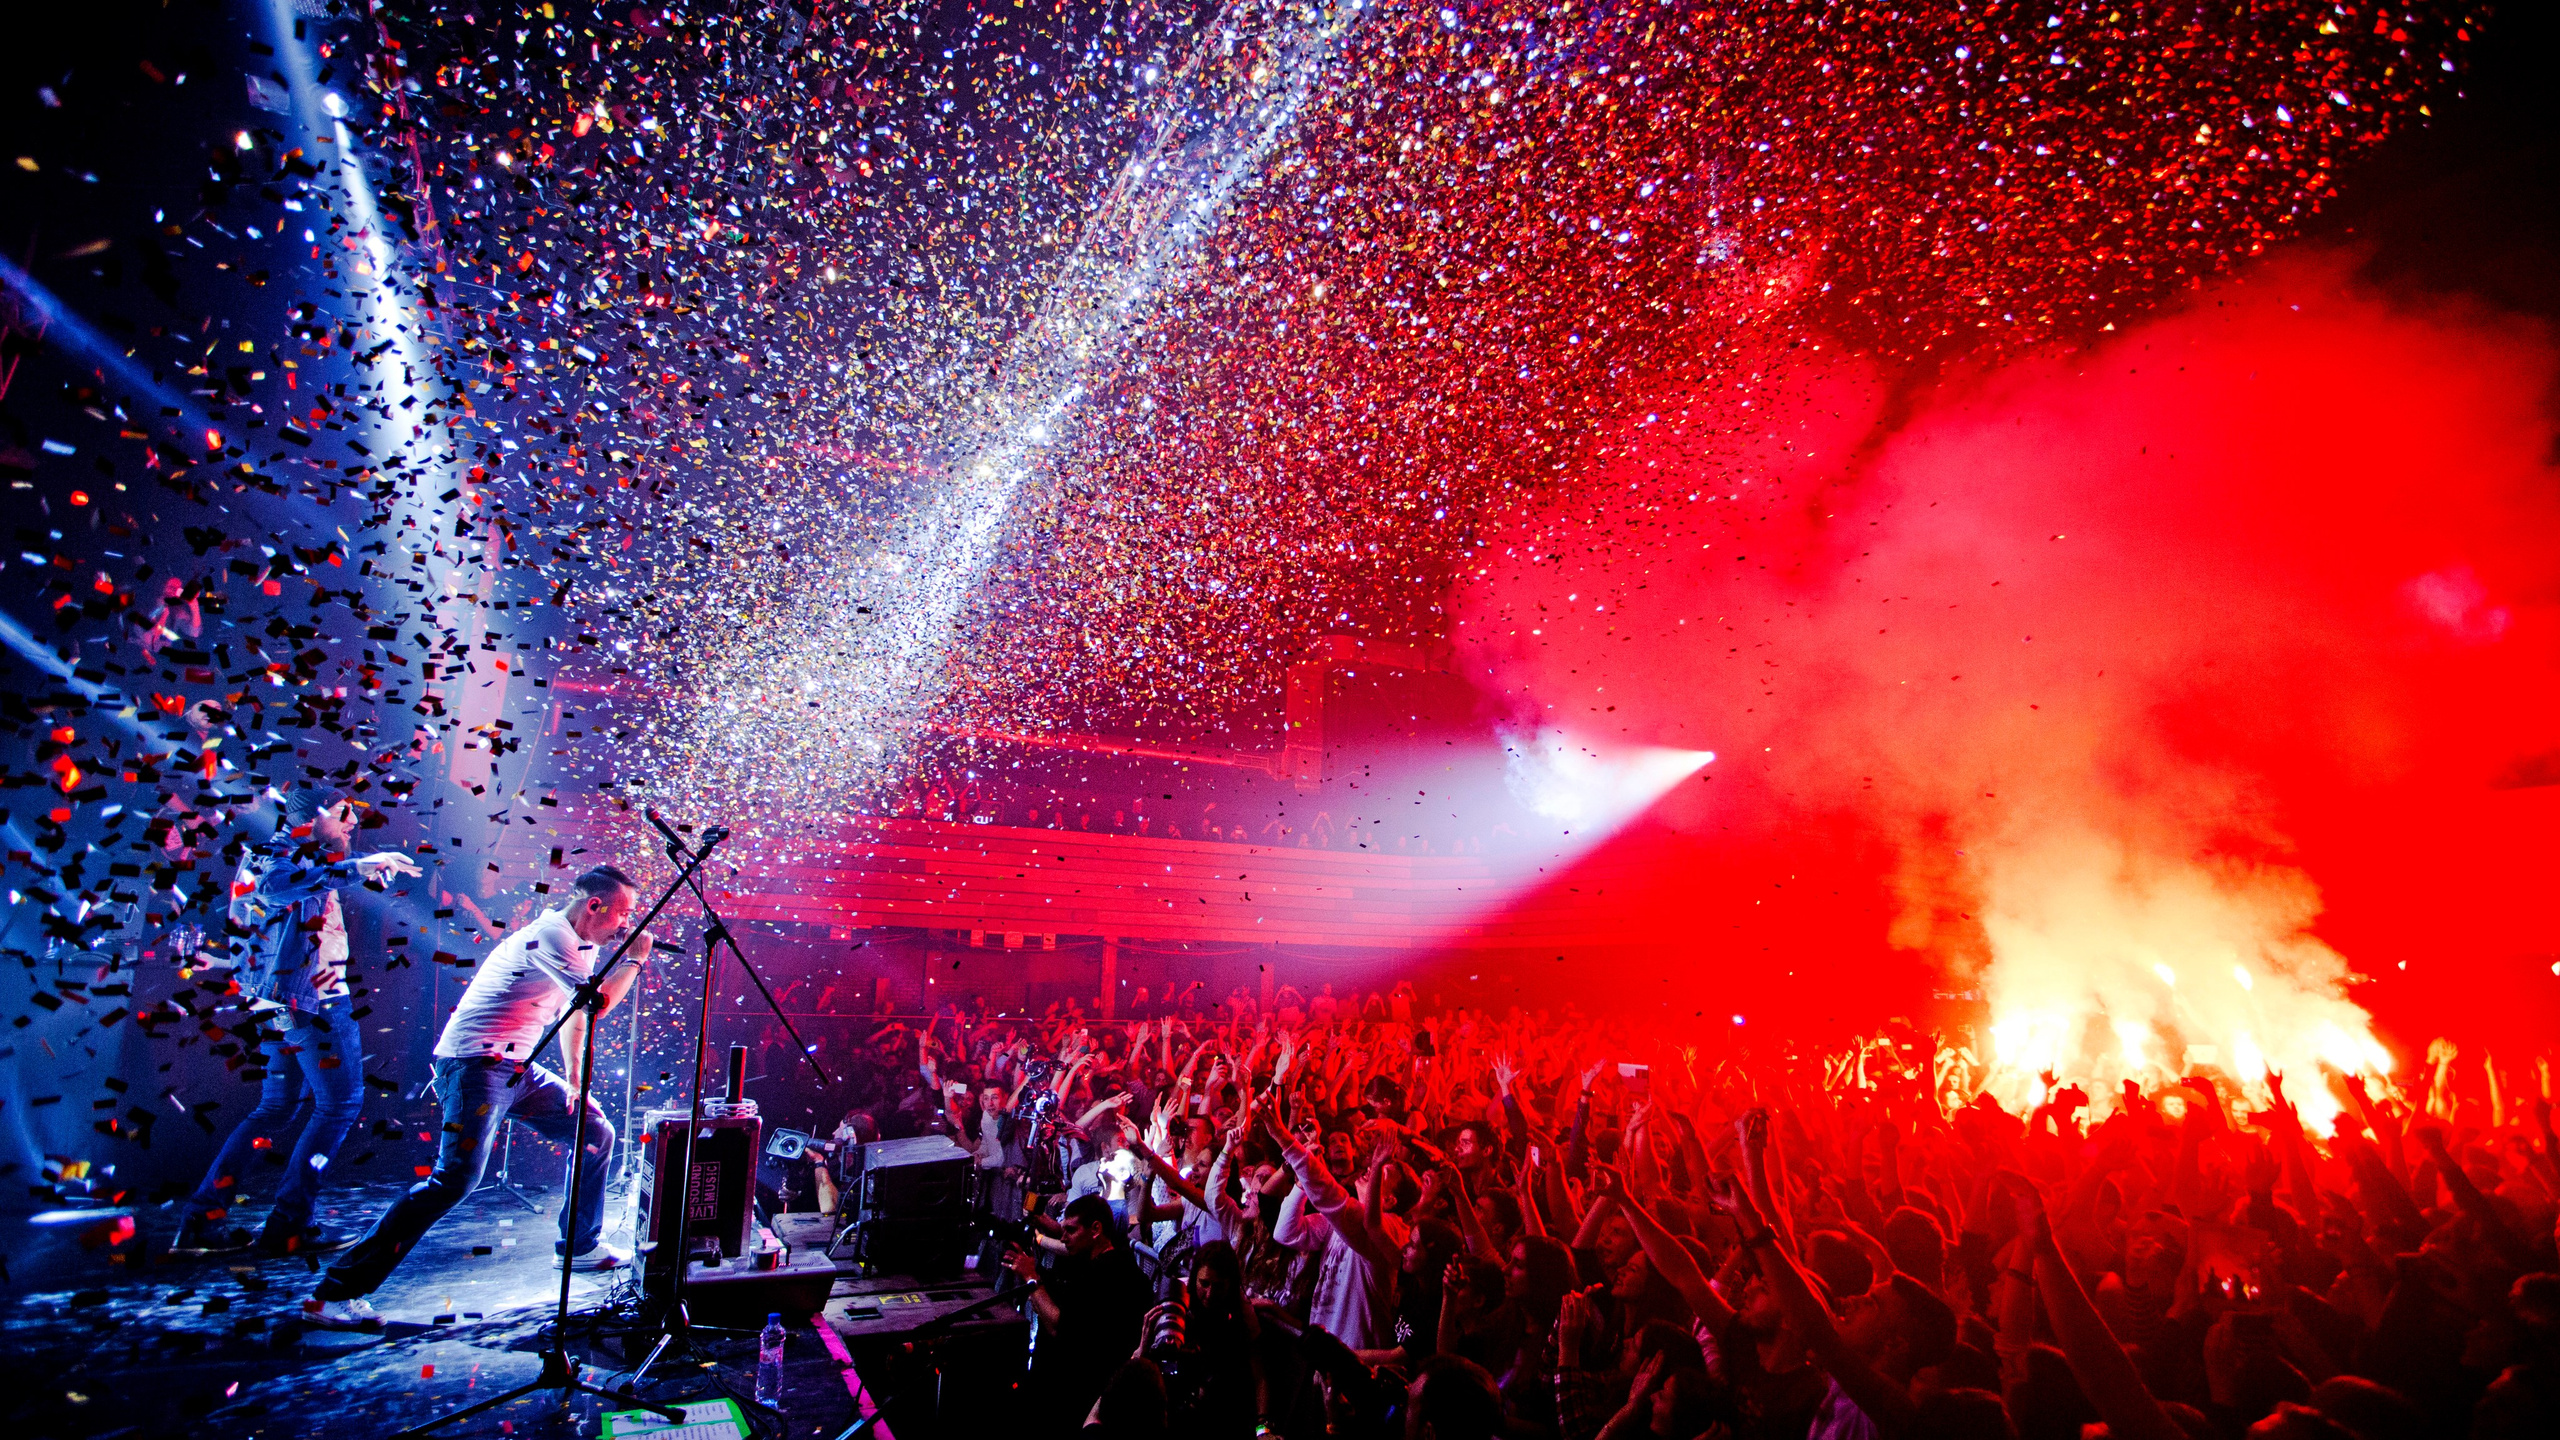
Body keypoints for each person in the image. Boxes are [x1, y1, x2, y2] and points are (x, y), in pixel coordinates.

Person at [301, 864, 651, 1328]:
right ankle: (333, 1293)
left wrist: (573, 1081)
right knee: (454, 1180)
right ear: (594, 905)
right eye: (623, 913)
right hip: (475, 1065)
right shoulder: (551, 935)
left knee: (594, 1132)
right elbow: (597, 1003)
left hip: (513, 1066)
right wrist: (635, 960)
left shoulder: (577, 943)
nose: (628, 924)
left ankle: (580, 1246)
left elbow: (574, 1013)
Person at [170, 786, 418, 1257]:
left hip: (284, 1002)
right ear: (314, 816)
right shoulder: (275, 854)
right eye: (344, 815)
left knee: (276, 1108)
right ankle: (288, 1222)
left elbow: (254, 936)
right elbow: (279, 888)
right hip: (311, 1004)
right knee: (340, 1104)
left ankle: (204, 1220)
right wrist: (360, 866)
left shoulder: (297, 859)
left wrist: (226, 969)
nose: (352, 824)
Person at [1010, 1192, 1156, 1433]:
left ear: (1096, 1229)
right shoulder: (1105, 1263)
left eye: (1070, 1230)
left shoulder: (1109, 1277)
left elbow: (1061, 1327)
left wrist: (1031, 1278)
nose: (1063, 1237)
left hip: (1081, 1400)